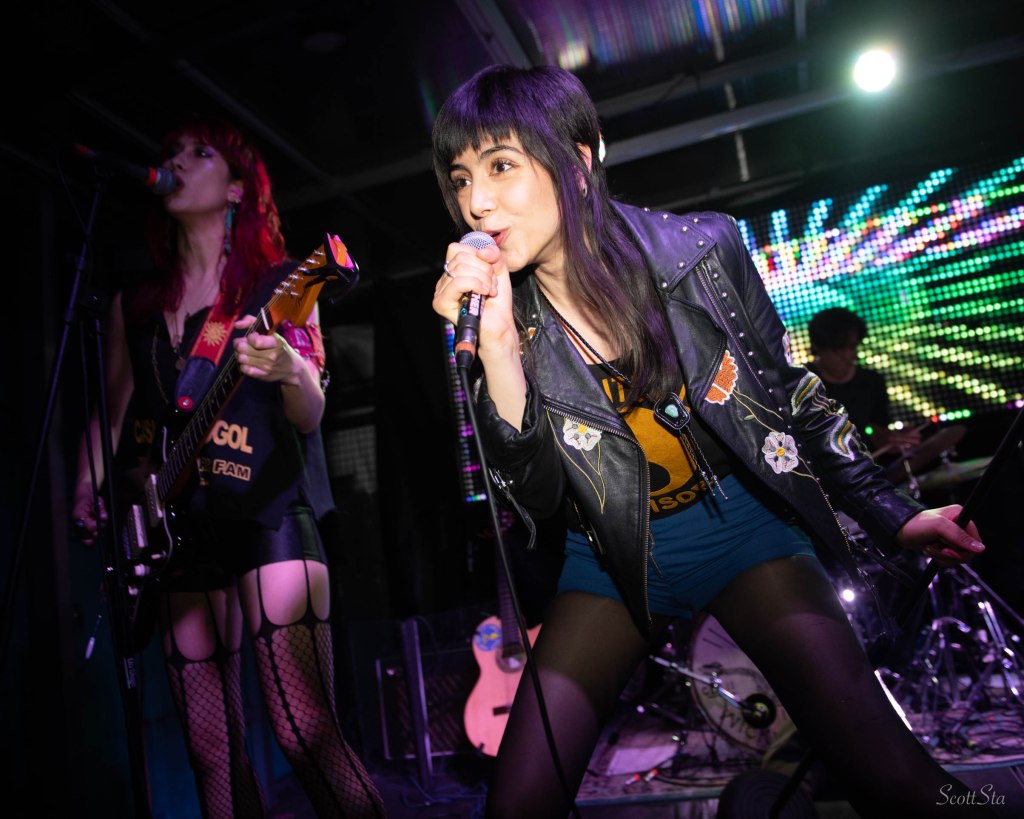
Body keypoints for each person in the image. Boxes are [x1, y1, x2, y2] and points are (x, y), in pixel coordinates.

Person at [429, 65, 993, 818]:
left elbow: (794, 397)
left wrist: (894, 513)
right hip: (610, 561)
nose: (476, 201)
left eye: (501, 165)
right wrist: (498, 349)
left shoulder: (702, 249)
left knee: (897, 782)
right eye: (462, 178)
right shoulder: (501, 315)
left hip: (744, 529)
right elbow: (534, 499)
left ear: (579, 158)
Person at [70, 114, 385, 819]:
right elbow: (114, 414)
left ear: (238, 188)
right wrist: (85, 485)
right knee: (211, 751)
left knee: (303, 730)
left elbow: (311, 412)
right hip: (178, 527)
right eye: (173, 152)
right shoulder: (134, 305)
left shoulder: (281, 284)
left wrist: (290, 369)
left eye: (201, 152)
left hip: (268, 507)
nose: (179, 162)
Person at [807, 306, 921, 454]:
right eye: (838, 349)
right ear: (818, 347)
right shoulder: (802, 385)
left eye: (851, 347)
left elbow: (878, 431)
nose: (847, 355)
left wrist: (894, 439)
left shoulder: (872, 381)